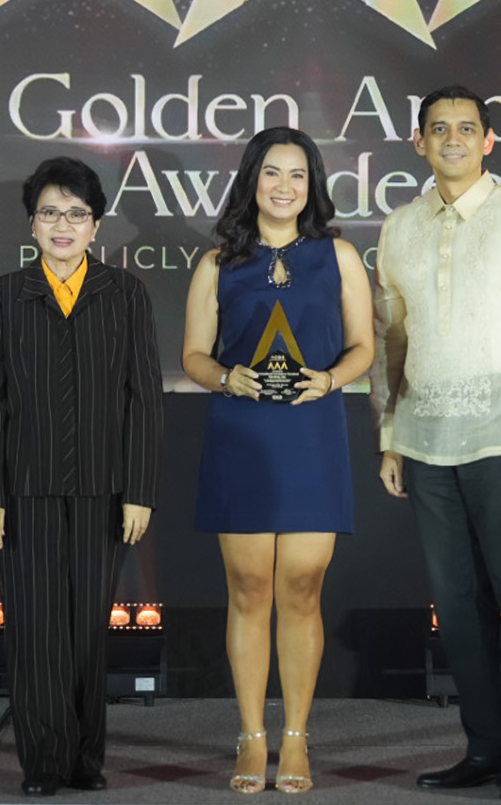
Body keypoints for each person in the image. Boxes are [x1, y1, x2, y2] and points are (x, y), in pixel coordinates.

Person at [372, 86, 501, 801]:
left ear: (488, 141)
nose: (452, 139)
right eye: (439, 129)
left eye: (466, 128)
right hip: (426, 444)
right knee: (457, 609)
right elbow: (391, 341)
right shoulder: (399, 227)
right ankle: (485, 748)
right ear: (419, 142)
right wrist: (390, 435)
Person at [183, 127, 374, 794]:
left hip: (312, 432)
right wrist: (226, 378)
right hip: (242, 434)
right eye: (272, 172)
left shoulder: (339, 255)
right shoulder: (216, 263)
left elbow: (363, 345)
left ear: (312, 184)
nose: (284, 186)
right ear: (251, 180)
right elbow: (194, 356)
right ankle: (250, 736)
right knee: (248, 589)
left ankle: (294, 737)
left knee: (301, 587)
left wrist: (330, 379)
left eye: (297, 174)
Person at [0, 157, 164, 797]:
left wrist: (139, 491)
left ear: (95, 225)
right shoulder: (4, 295)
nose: (63, 225)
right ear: (32, 224)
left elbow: (145, 399)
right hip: (23, 489)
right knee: (35, 631)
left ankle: (85, 759)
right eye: (50, 212)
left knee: (86, 632)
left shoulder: (125, 293)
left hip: (105, 488)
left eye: (76, 214)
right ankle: (44, 762)